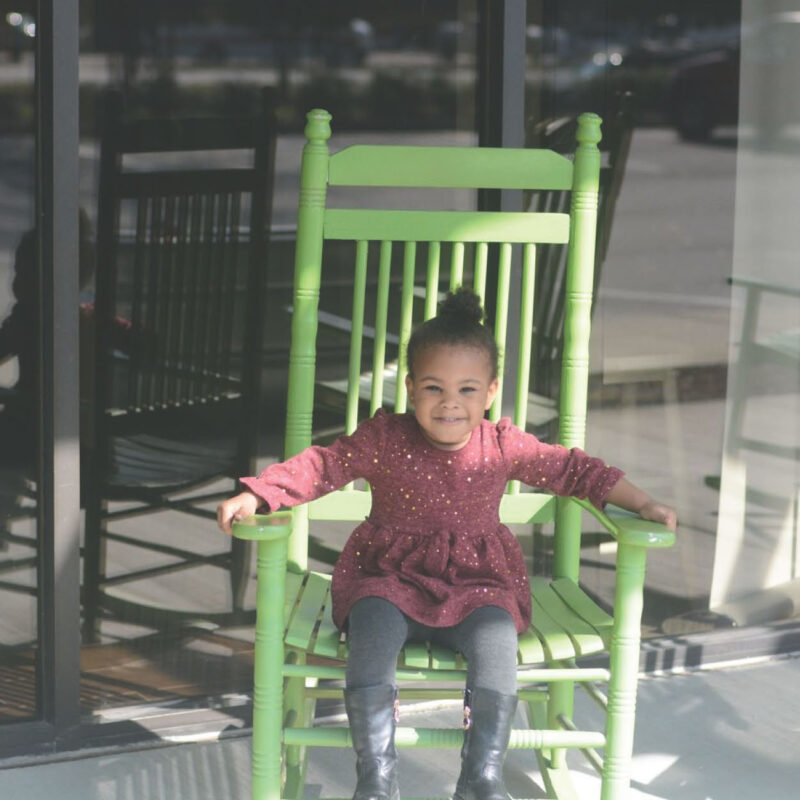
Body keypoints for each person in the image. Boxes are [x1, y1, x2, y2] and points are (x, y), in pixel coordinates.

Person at [217, 288, 677, 800]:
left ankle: (481, 777)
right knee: (370, 633)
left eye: (467, 389)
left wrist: (642, 504)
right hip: (388, 577)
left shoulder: (502, 444)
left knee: (498, 643)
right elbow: (325, 465)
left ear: (491, 391)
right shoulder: (385, 437)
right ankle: (377, 778)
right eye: (434, 388)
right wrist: (259, 493)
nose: (450, 403)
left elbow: (575, 471)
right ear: (411, 388)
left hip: (479, 585)